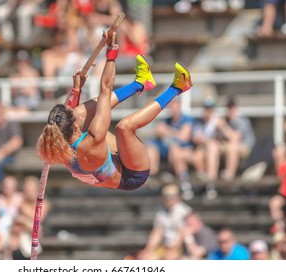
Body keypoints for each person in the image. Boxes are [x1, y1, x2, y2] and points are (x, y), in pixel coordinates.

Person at [37, 29, 193, 191]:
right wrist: (111, 50)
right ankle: (178, 88)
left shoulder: (56, 143)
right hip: (131, 175)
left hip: (109, 162)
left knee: (80, 113)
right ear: (75, 126)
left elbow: (70, 112)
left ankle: (141, 83)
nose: (73, 110)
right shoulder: (92, 140)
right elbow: (106, 88)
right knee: (124, 127)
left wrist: (76, 90)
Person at [147, 99, 195, 200]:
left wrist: (167, 131)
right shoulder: (166, 121)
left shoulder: (186, 119)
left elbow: (183, 137)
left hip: (183, 150)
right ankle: (151, 178)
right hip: (166, 152)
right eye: (170, 107)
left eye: (174, 106)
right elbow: (158, 132)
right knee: (152, 148)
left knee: (175, 150)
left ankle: (184, 183)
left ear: (179, 106)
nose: (172, 109)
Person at [137, 184, 192, 260]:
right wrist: (148, 249)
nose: (169, 200)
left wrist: (174, 249)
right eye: (167, 197)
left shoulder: (184, 210)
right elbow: (157, 232)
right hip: (164, 245)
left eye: (171, 197)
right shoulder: (161, 211)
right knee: (146, 257)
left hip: (181, 246)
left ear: (177, 197)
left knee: (169, 257)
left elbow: (183, 233)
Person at [10, 176, 51, 259]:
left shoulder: (44, 203)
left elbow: (38, 218)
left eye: (31, 188)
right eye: (27, 188)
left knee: (34, 226)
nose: (29, 191)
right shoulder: (20, 201)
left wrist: (23, 217)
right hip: (20, 233)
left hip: (38, 232)